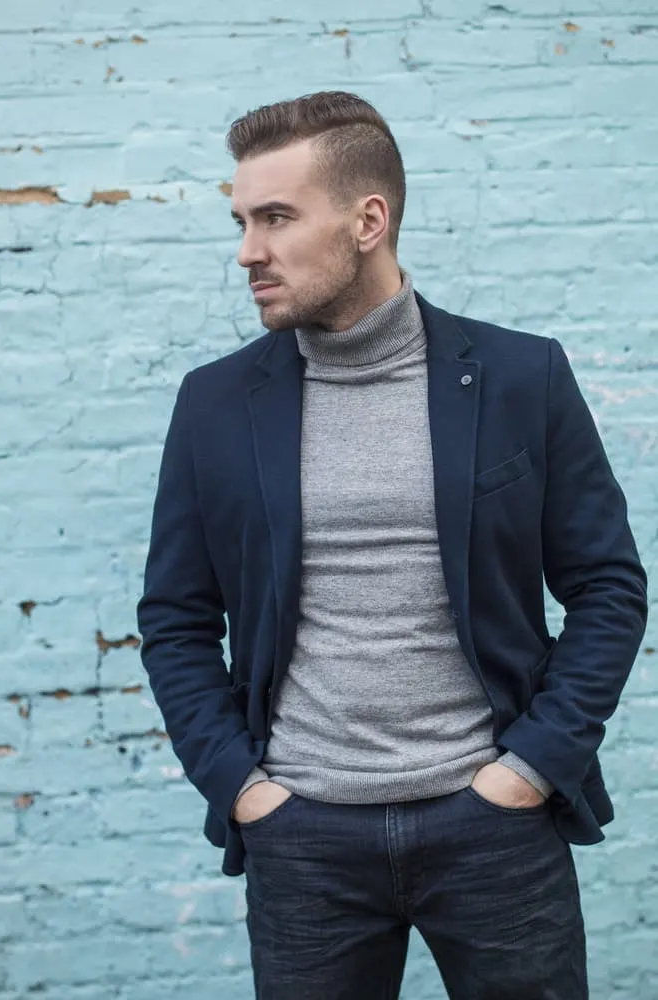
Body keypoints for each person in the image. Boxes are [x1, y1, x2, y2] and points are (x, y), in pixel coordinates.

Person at [136, 90, 648, 1000]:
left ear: (368, 219)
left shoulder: (520, 376)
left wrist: (532, 768)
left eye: (277, 218)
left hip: (494, 828)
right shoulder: (213, 405)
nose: (247, 250)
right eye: (242, 220)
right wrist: (242, 787)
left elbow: (606, 585)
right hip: (304, 843)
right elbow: (176, 618)